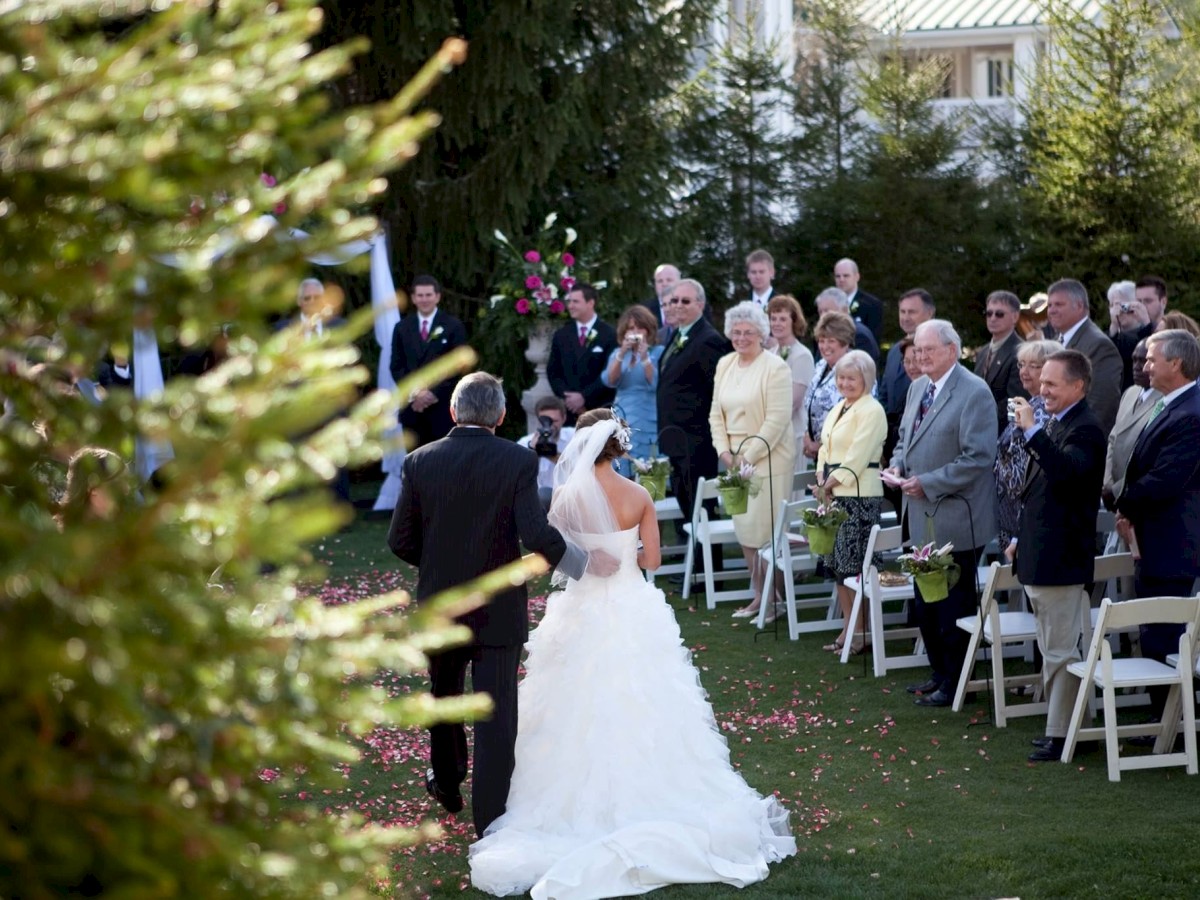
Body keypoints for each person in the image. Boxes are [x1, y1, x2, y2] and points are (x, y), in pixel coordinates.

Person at [468, 409, 796, 897]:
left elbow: (550, 553)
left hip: (579, 611)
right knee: (645, 698)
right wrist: (625, 554)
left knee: (570, 702)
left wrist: (587, 555)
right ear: (619, 446)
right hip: (629, 604)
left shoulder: (566, 496)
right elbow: (654, 560)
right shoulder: (639, 494)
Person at [386, 372, 598, 836]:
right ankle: (492, 822)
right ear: (501, 416)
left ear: (452, 412)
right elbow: (538, 536)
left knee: (443, 697)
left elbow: (399, 539)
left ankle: (446, 780)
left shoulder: (419, 461)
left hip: (440, 603)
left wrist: (440, 563)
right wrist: (586, 565)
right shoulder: (517, 460)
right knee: (497, 715)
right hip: (498, 608)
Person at [886, 320, 997, 709]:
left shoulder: (974, 392)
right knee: (925, 603)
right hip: (919, 514)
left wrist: (928, 482)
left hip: (956, 516)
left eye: (928, 349)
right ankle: (938, 673)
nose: (920, 356)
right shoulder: (918, 387)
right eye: (917, 349)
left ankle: (956, 680)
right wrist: (898, 467)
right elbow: (904, 440)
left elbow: (978, 457)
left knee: (953, 605)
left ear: (952, 350)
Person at [1006, 350, 1106, 763]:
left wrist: (1033, 433)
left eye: (1051, 384)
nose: (1041, 390)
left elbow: (1065, 474)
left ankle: (1065, 734)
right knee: (1053, 647)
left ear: (1078, 386)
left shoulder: (1086, 429)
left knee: (1063, 650)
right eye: (1040, 382)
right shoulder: (1059, 423)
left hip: (1062, 557)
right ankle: (1063, 728)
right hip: (1041, 554)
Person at [1115, 330, 1200, 723]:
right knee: (1155, 633)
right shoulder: (1170, 404)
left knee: (1165, 636)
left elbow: (1167, 479)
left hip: (1171, 544)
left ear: (1176, 364)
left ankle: (1171, 729)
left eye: (1151, 359)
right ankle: (1162, 723)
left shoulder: (1191, 413)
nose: (1145, 366)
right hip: (1154, 538)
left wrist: (1122, 502)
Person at [709, 302, 795, 621]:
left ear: (762, 333)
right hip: (733, 459)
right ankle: (763, 594)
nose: (741, 337)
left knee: (763, 533)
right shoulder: (725, 364)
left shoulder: (776, 368)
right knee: (744, 529)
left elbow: (777, 420)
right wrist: (725, 454)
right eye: (736, 332)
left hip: (768, 460)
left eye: (748, 332)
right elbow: (715, 414)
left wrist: (747, 457)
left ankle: (772, 599)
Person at [815, 350, 887, 654]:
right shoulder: (840, 406)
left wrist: (830, 483)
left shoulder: (872, 410)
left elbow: (857, 456)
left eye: (851, 378)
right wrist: (821, 476)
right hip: (834, 494)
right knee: (837, 567)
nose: (845, 383)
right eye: (841, 377)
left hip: (858, 495)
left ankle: (860, 632)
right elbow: (825, 446)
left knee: (854, 568)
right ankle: (849, 627)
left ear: (866, 379)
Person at [656, 279, 731, 560]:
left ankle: (707, 570)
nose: (678, 306)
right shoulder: (678, 336)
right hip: (676, 439)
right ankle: (695, 564)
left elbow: (715, 392)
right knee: (686, 503)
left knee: (702, 506)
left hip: (696, 439)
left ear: (700, 304)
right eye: (674, 301)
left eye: (685, 301)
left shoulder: (708, 340)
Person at [389, 274, 468, 448]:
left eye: (428, 295)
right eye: (420, 295)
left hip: (442, 408)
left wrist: (432, 394)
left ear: (437, 297)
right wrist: (416, 393)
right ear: (413, 298)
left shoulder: (453, 326)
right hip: (413, 408)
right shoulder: (402, 328)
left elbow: (459, 367)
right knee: (415, 462)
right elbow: (396, 366)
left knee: (444, 460)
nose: (424, 299)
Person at [993, 340, 1058, 546]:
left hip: (1028, 511)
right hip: (1009, 510)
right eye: (1021, 365)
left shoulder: (1049, 408)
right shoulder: (1029, 402)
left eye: (1033, 365)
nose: (1024, 371)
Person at [1045, 278, 1122, 434]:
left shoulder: (1099, 346)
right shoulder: (1055, 341)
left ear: (1079, 306)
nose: (1051, 310)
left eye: (1059, 304)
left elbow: (1102, 404)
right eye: (1050, 305)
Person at [601, 305, 663, 475]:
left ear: (648, 330)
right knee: (622, 459)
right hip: (623, 411)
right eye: (631, 328)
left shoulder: (658, 352)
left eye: (640, 327)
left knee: (647, 463)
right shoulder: (618, 353)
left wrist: (644, 358)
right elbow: (610, 380)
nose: (636, 332)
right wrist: (621, 353)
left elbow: (656, 382)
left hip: (648, 413)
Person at [547, 282, 618, 425]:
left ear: (590, 303)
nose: (570, 306)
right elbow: (553, 371)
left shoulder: (609, 334)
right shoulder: (562, 335)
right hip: (570, 413)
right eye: (569, 301)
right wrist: (568, 397)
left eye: (575, 301)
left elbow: (611, 372)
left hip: (600, 411)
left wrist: (584, 397)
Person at [1102, 339, 1160, 513]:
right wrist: (1108, 484)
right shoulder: (1130, 393)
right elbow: (1114, 438)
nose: (1136, 366)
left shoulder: (1164, 399)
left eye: (1143, 361)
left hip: (1137, 496)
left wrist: (1118, 490)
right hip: (1114, 492)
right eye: (1134, 360)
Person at [766, 295, 815, 472]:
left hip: (791, 435)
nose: (777, 323)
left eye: (783, 319)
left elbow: (793, 402)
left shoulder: (802, 355)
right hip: (770, 436)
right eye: (773, 318)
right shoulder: (771, 353)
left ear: (794, 321)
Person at [802, 311, 856, 466]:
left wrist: (821, 446)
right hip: (820, 457)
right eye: (821, 340)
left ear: (845, 342)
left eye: (831, 341)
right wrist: (808, 437)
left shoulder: (857, 367)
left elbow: (855, 419)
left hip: (845, 459)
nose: (824, 346)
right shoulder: (820, 366)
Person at [973, 290, 1027, 434]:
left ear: (1015, 317)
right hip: (977, 430)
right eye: (989, 313)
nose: (993, 318)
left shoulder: (1022, 352)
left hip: (1001, 432)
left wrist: (983, 422)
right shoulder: (983, 352)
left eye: (999, 314)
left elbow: (1015, 401)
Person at [516, 395, 575, 508]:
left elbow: (584, 469)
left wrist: (553, 455)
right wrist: (532, 452)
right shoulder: (525, 443)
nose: (550, 426)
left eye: (555, 421)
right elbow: (517, 478)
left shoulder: (574, 437)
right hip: (537, 505)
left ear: (564, 418)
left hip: (569, 503)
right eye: (545, 421)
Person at [815, 286, 880, 365]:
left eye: (827, 311)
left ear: (844, 310)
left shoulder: (859, 336)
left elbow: (860, 372)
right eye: (820, 312)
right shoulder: (824, 335)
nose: (823, 316)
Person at [833, 257, 884, 341]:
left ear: (857, 277)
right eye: (838, 276)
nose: (841, 280)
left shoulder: (871, 304)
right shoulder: (829, 303)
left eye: (846, 276)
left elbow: (873, 338)